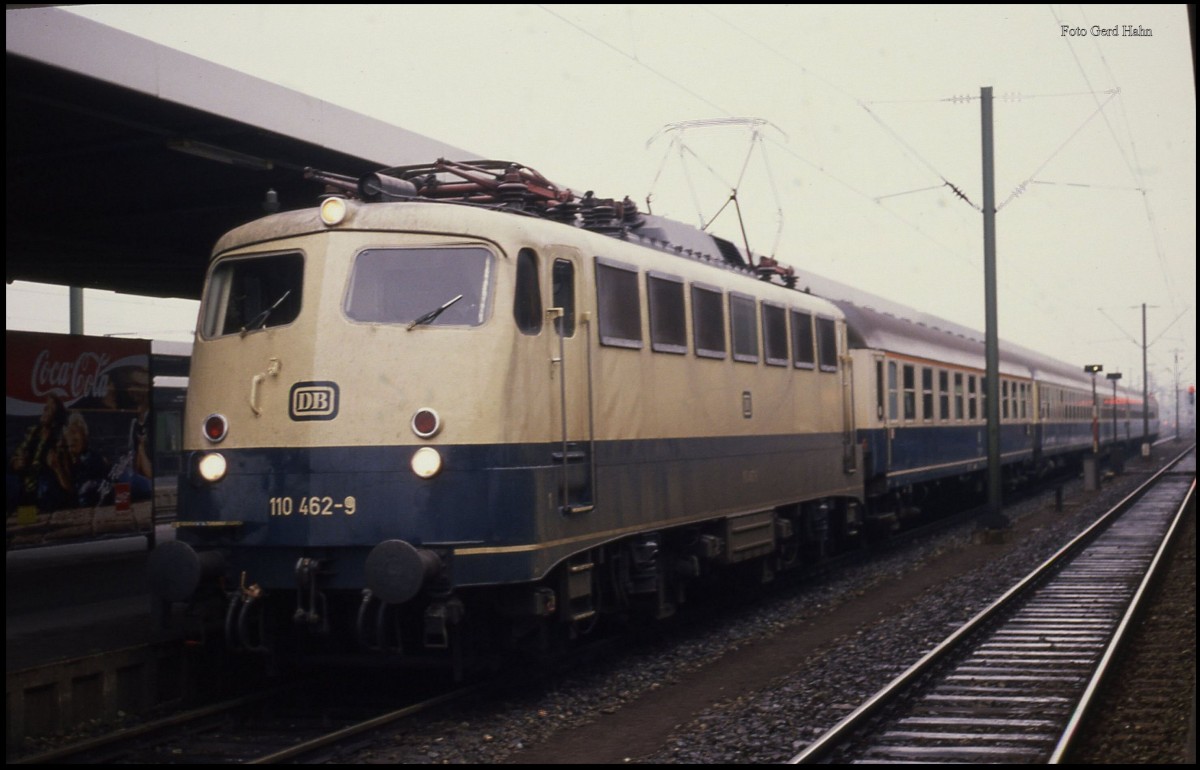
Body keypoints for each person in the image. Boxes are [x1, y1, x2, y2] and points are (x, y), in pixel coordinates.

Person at [7, 395, 67, 514]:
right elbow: (16, 456)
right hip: (24, 487)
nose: (44, 410)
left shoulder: (59, 439)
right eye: (45, 407)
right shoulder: (32, 431)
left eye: (49, 408)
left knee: (30, 519)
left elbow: (63, 475)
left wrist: (55, 466)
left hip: (43, 493)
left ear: (56, 417)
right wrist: (16, 463)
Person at [45, 412, 111, 510]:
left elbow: (76, 491)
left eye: (75, 432)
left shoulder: (91, 458)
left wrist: (58, 469)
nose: (72, 438)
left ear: (85, 436)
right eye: (68, 434)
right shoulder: (66, 457)